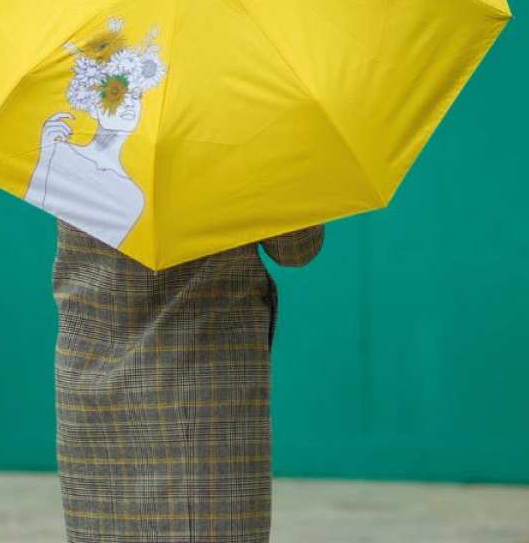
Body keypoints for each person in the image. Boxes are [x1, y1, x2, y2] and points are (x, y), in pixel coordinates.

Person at [52, 217, 325, 543]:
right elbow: (295, 248)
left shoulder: (78, 165)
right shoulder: (235, 162)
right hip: (204, 384)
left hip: (90, 368)